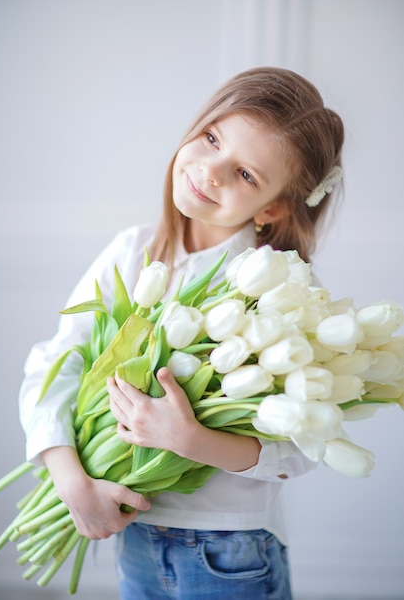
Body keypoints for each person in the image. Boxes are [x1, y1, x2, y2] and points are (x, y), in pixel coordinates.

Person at [19, 67, 344, 599]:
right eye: (212, 139)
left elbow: (303, 449)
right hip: (135, 533)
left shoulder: (281, 293)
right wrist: (71, 481)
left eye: (246, 174)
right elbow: (57, 360)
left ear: (274, 208)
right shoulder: (134, 252)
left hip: (228, 550)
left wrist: (191, 440)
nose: (211, 171)